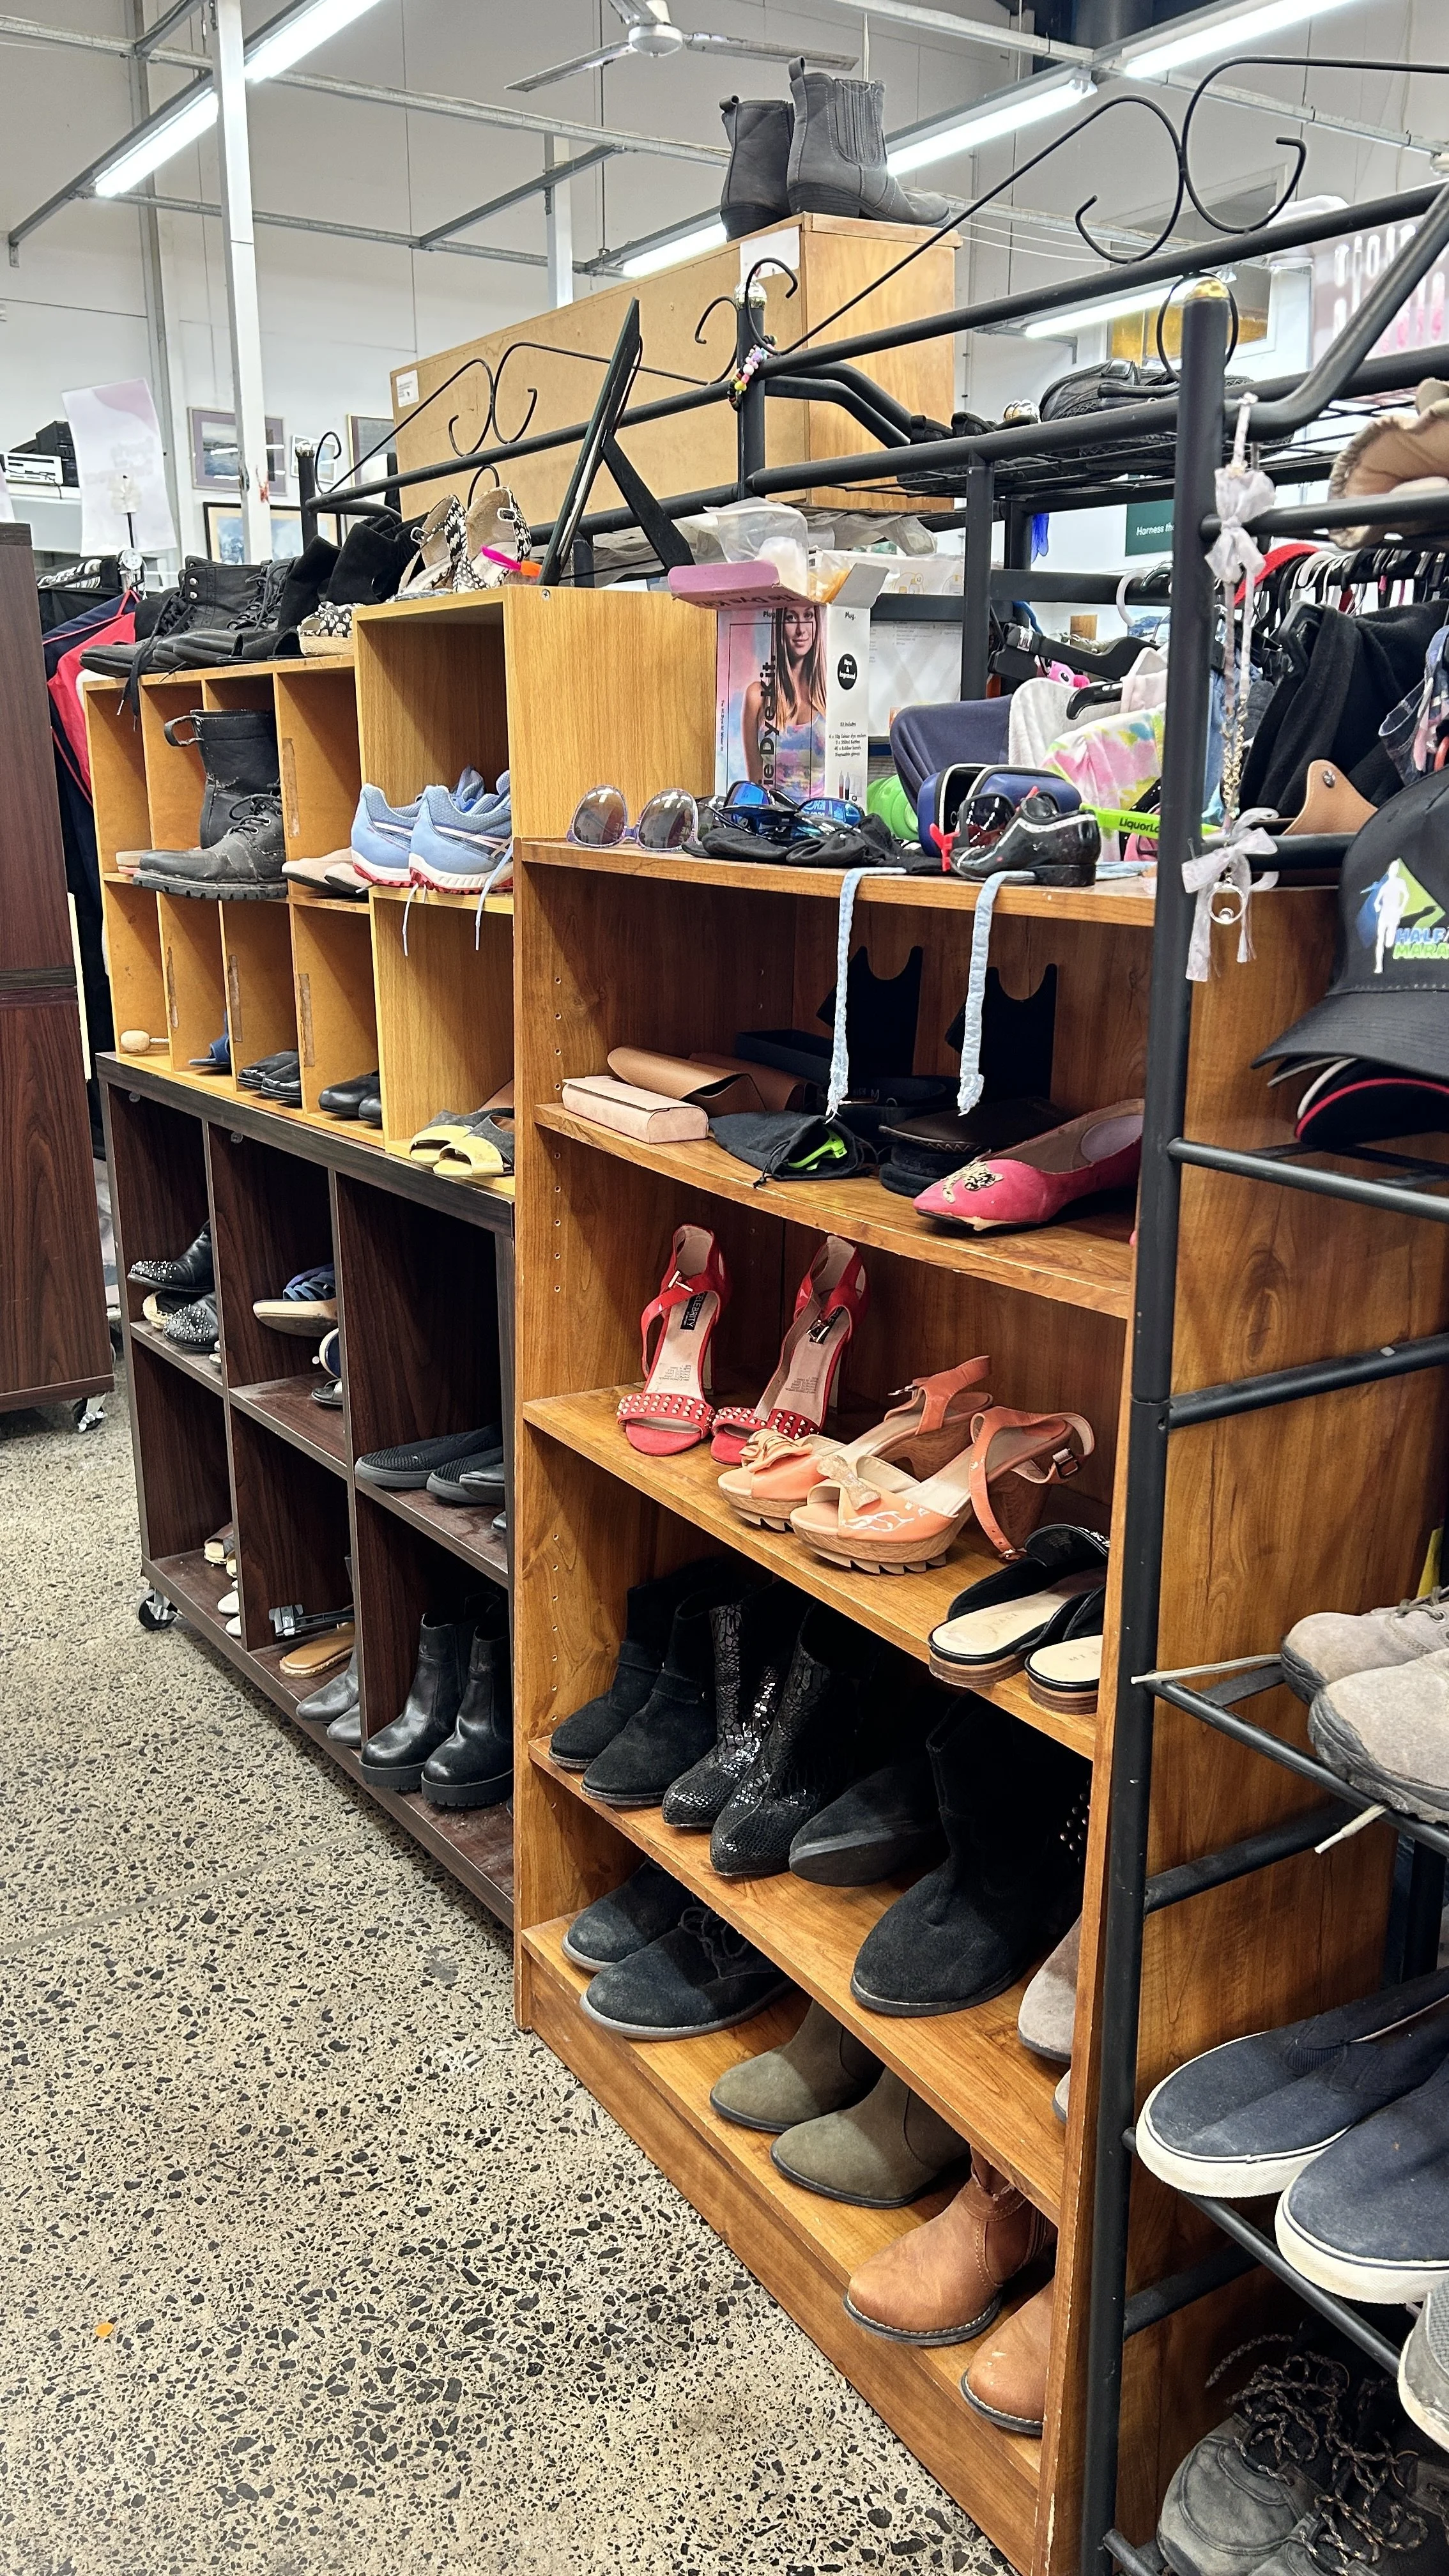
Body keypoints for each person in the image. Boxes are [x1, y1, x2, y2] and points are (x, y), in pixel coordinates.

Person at [742, 601, 827, 794]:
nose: (801, 630)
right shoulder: (758, 697)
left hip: (817, 819)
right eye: (791, 618)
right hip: (773, 821)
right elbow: (756, 782)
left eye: (808, 616)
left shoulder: (831, 699)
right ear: (780, 624)